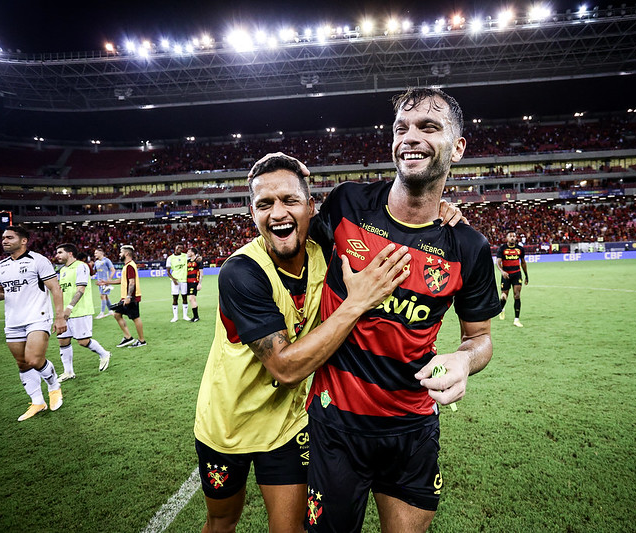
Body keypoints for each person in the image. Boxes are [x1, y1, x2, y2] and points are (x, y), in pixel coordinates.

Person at [302, 88, 502, 532]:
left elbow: (480, 337)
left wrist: (466, 358)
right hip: (336, 425)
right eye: (401, 128)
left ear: (458, 147)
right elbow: (290, 252)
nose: (410, 137)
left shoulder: (467, 247)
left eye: (428, 127)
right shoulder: (347, 204)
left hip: (411, 430)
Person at [193, 154, 413, 533]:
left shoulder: (326, 247)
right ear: (252, 213)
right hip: (225, 424)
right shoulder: (240, 272)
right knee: (222, 521)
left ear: (312, 207)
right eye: (265, 204)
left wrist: (438, 206)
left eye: (290, 200)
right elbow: (286, 367)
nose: (278, 213)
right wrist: (356, 302)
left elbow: (383, 214)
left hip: (286, 425)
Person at [0, 226, 66, 422]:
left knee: (34, 359)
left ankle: (54, 387)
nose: (4, 241)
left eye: (9, 237)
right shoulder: (0, 266)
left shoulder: (38, 260)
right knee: (22, 363)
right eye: (3, 238)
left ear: (24, 240)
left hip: (37, 316)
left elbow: (55, 289)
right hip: (13, 320)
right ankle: (37, 401)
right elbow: (1, 292)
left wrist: (60, 317)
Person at [54, 243, 112, 381]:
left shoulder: (81, 266)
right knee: (63, 340)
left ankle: (104, 354)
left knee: (83, 341)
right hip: (65, 312)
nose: (57, 255)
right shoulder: (62, 270)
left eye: (60, 252)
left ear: (70, 254)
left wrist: (69, 308)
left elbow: (81, 289)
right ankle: (68, 372)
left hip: (80, 311)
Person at [99, 245, 146, 348]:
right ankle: (128, 337)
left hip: (131, 297)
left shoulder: (129, 266)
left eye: (120, 252)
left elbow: (132, 283)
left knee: (135, 318)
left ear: (126, 254)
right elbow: (122, 281)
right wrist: (107, 282)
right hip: (126, 296)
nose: (119, 254)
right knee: (117, 314)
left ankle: (142, 341)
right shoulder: (127, 265)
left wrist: (129, 297)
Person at [495, 230, 529, 328]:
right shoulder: (502, 249)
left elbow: (523, 262)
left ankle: (516, 319)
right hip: (506, 275)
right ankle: (502, 309)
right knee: (503, 297)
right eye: (510, 236)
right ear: (507, 238)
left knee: (517, 295)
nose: (513, 238)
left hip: (517, 274)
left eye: (514, 236)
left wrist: (526, 275)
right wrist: (502, 272)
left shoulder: (520, 249)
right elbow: (498, 262)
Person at [166, 244, 188, 322]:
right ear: (175, 248)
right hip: (175, 281)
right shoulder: (170, 258)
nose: (180, 249)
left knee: (184, 297)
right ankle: (175, 317)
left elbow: (194, 257)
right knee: (175, 298)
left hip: (184, 280)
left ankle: (185, 316)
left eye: (182, 248)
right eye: (179, 247)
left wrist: (199, 258)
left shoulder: (185, 256)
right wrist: (173, 279)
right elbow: (168, 271)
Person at [93, 247, 116, 319]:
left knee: (102, 295)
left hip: (106, 282)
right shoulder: (96, 262)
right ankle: (111, 310)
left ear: (101, 253)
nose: (95, 254)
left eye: (96, 253)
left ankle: (102, 313)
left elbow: (113, 270)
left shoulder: (107, 260)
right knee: (105, 296)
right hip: (100, 282)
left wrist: (109, 280)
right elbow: (94, 272)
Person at [184, 247, 203, 322]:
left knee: (191, 299)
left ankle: (196, 316)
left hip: (194, 282)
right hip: (188, 282)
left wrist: (199, 284)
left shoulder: (198, 261)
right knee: (192, 299)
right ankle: (195, 317)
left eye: (189, 252)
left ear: (193, 253)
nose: (187, 253)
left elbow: (201, 273)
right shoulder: (188, 261)